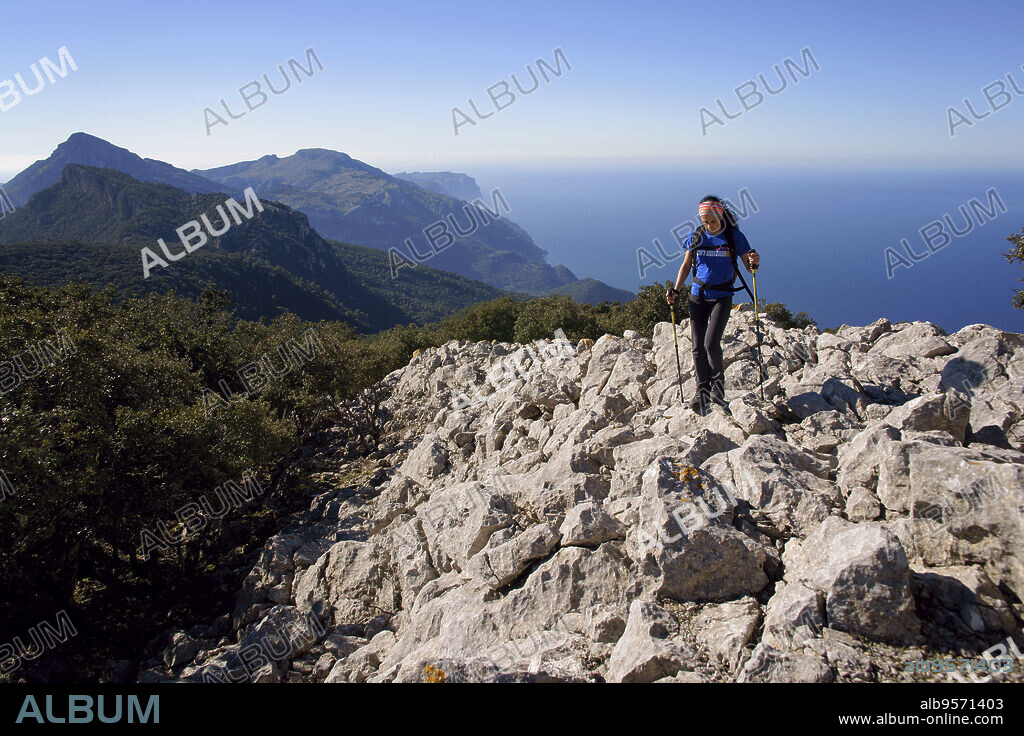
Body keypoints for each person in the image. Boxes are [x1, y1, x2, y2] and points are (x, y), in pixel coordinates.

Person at [666, 195, 760, 412]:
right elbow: (686, 265)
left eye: (712, 221)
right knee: (697, 347)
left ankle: (718, 389)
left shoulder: (734, 237)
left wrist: (755, 262)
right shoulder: (696, 235)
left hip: (722, 297)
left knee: (710, 343)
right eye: (704, 221)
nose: (708, 225)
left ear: (721, 216)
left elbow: (750, 267)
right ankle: (701, 391)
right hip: (697, 295)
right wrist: (676, 290)